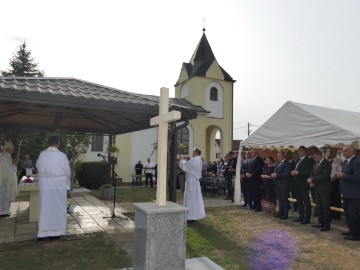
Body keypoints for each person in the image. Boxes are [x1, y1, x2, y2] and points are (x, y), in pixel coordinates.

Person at [37, 136, 71, 240]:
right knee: (57, 207)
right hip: (58, 185)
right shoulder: (61, 155)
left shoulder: (42, 154)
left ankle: (43, 232)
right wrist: (67, 183)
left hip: (46, 184)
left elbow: (38, 167)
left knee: (45, 207)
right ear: (58, 143)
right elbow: (67, 171)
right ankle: (55, 232)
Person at [336, 145, 360, 241]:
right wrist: (340, 174)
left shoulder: (357, 162)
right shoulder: (347, 161)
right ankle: (352, 230)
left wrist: (343, 176)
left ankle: (357, 234)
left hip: (354, 194)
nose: (343, 153)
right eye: (342, 151)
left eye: (345, 151)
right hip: (346, 192)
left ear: (352, 151)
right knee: (347, 213)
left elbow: (358, 178)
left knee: (353, 214)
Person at [307, 150, 332, 231]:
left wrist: (313, 180)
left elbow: (324, 176)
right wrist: (311, 180)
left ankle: (327, 225)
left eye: (315, 157)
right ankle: (321, 222)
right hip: (316, 188)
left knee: (325, 207)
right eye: (313, 157)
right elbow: (312, 173)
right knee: (319, 206)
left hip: (324, 188)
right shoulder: (315, 163)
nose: (314, 159)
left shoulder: (326, 163)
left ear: (320, 155)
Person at [179, 148, 206, 223]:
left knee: (190, 199)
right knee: (194, 199)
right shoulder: (198, 160)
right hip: (193, 182)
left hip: (192, 182)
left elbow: (186, 165)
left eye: (193, 151)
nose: (192, 153)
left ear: (196, 152)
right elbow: (188, 167)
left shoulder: (195, 160)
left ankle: (190, 217)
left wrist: (182, 160)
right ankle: (193, 216)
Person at [291, 146, 313, 224]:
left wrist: (298, 172)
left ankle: (307, 218)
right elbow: (295, 169)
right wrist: (293, 172)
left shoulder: (309, 160)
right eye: (298, 150)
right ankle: (301, 216)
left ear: (304, 151)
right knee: (299, 201)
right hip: (296, 183)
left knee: (306, 201)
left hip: (304, 184)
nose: (298, 152)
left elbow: (309, 172)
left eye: (300, 150)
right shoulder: (297, 160)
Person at [271, 151, 291, 220]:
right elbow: (274, 171)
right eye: (277, 156)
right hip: (277, 184)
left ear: (283, 156)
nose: (278, 157)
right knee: (280, 200)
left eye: (279, 156)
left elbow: (287, 174)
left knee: (284, 200)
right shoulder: (278, 163)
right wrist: (273, 174)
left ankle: (285, 214)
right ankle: (280, 212)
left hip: (283, 184)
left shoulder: (287, 163)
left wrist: (277, 175)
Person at [0, 140, 17, 217]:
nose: (13, 149)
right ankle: (2, 211)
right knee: (4, 195)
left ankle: (6, 210)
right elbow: (5, 170)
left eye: (13, 148)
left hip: (8, 180)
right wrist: (13, 166)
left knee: (7, 195)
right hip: (5, 180)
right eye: (11, 147)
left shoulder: (7, 156)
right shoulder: (3, 157)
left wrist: (13, 164)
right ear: (6, 148)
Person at [327, 148, 343, 220]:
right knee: (330, 198)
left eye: (332, 152)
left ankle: (337, 215)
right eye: (330, 152)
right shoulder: (329, 161)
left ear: (336, 152)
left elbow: (339, 172)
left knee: (336, 198)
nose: (330, 153)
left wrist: (331, 179)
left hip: (335, 182)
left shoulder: (339, 160)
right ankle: (331, 213)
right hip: (328, 182)